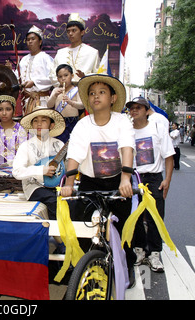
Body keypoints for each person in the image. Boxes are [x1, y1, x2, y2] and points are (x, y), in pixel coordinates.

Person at [59, 74, 136, 286]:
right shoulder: (83, 125)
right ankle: (84, 268)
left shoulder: (122, 121)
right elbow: (74, 155)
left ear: (112, 98)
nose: (96, 97)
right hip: (90, 182)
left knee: (124, 230)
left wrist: (126, 179)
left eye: (102, 92)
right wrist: (68, 185)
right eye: (92, 93)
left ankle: (127, 266)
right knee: (82, 228)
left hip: (117, 181)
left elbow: (127, 148)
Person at [126, 97, 175, 273]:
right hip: (134, 178)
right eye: (131, 108)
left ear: (147, 111)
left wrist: (167, 180)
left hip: (154, 178)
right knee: (135, 216)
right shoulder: (127, 131)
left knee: (155, 217)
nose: (134, 111)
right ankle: (140, 250)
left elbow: (168, 156)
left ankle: (155, 253)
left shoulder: (157, 128)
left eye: (138, 108)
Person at [12, 106, 65, 220]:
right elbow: (16, 172)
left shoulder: (60, 145)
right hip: (34, 187)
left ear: (51, 125)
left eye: (44, 120)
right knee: (53, 201)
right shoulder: (25, 146)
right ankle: (54, 232)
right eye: (35, 121)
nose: (39, 124)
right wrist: (41, 170)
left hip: (58, 186)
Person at [6, 25, 54, 114]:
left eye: (33, 39)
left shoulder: (46, 58)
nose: (30, 42)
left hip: (41, 101)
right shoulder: (24, 59)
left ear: (40, 42)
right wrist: (10, 71)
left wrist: (34, 82)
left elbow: (53, 78)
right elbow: (18, 80)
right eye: (28, 40)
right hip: (26, 101)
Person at [50, 13, 100, 85]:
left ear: (82, 32)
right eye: (68, 31)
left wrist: (85, 77)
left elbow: (98, 76)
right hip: (64, 92)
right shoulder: (60, 53)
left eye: (74, 30)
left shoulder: (92, 52)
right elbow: (53, 75)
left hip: (83, 92)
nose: (70, 33)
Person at [47, 64, 84, 142]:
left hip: (72, 121)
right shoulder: (55, 90)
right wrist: (54, 96)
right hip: (59, 122)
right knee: (59, 144)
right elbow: (49, 105)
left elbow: (82, 106)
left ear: (72, 76)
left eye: (66, 75)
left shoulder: (76, 89)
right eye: (60, 77)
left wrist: (71, 102)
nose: (63, 79)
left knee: (73, 143)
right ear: (57, 78)